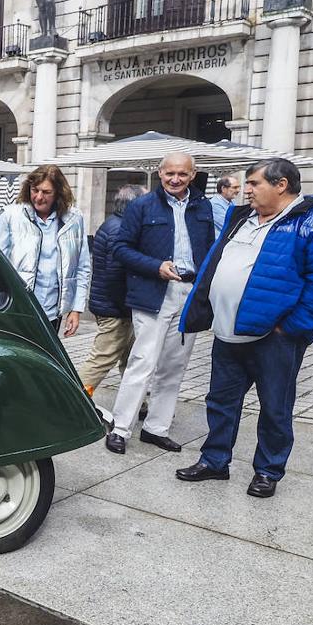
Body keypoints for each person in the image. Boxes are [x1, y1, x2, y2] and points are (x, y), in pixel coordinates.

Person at [176, 159, 313, 497]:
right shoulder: (240, 217)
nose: (247, 190)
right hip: (228, 332)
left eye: (254, 183)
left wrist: (292, 328)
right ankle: (214, 461)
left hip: (274, 338)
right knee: (220, 401)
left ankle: (268, 471)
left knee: (275, 407)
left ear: (281, 184)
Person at [105, 153, 214, 454]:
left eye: (182, 174)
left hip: (189, 292)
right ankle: (121, 428)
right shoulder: (142, 206)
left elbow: (208, 248)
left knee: (174, 366)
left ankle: (156, 428)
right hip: (154, 292)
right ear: (159, 173)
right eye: (169, 174)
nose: (175, 180)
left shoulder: (202, 205)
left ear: (193, 175)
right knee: (142, 361)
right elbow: (121, 249)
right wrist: (155, 266)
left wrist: (205, 288)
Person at [0, 165, 91, 336]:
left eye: (46, 192)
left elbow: (82, 267)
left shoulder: (74, 219)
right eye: (34, 190)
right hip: (17, 309)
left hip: (53, 312)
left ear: (58, 193)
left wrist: (76, 309)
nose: (38, 197)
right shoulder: (11, 216)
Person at [77, 184, 147, 396]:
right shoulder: (120, 230)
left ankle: (138, 404)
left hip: (112, 305)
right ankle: (75, 402)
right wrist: (126, 308)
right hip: (116, 309)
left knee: (129, 359)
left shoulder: (113, 224)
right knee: (102, 358)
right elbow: (116, 277)